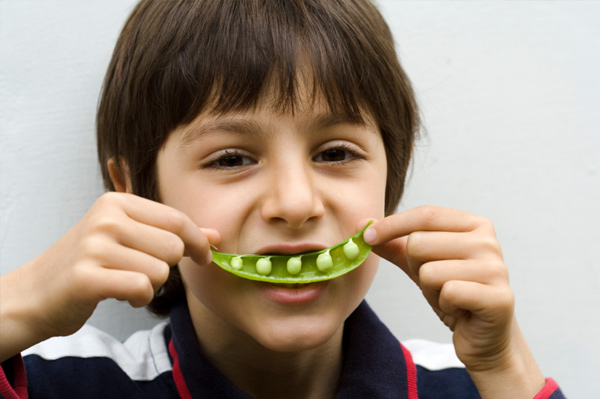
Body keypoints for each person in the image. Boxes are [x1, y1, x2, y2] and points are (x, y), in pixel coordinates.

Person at [0, 1, 566, 398]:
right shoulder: (64, 384)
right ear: (133, 193)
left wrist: (504, 367)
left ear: (390, 182)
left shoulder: (473, 386)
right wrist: (20, 302)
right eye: (231, 159)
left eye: (336, 153)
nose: (295, 204)